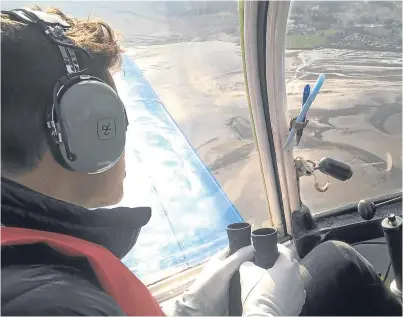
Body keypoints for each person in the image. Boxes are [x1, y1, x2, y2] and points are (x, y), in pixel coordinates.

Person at [1, 6, 401, 317]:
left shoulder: (30, 270)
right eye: (113, 114)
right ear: (83, 127)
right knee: (340, 262)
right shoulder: (54, 302)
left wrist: (187, 310)